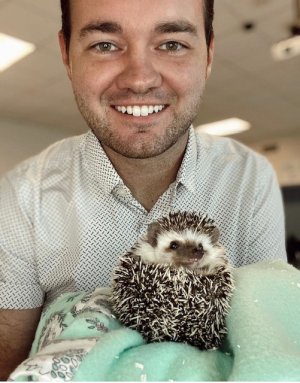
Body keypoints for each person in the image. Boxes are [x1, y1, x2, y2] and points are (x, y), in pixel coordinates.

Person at [0, 0, 287, 379]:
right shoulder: (20, 197)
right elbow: (9, 363)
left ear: (208, 55)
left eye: (171, 44)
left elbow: (268, 337)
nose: (139, 79)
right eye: (104, 44)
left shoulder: (251, 177)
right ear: (67, 56)